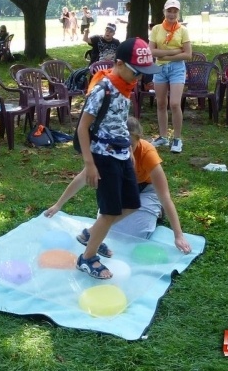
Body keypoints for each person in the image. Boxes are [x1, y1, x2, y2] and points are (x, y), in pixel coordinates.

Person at [72, 37, 159, 279]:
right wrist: (89, 164)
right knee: (110, 210)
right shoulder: (103, 88)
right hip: (103, 158)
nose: (140, 78)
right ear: (119, 63)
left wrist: (128, 153)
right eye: (137, 72)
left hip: (121, 154)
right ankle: (87, 258)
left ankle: (93, 232)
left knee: (132, 204)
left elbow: (120, 123)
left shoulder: (126, 86)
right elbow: (82, 128)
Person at [45, 116, 191, 253]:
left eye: (130, 146)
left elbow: (165, 196)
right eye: (121, 145)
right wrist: (58, 205)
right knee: (109, 226)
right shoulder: (108, 150)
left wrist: (178, 235)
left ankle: (155, 210)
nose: (125, 151)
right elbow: (82, 177)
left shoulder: (147, 153)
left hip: (147, 190)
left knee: (136, 235)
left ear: (138, 140)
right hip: (123, 187)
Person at [149, 0, 192, 154]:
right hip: (159, 69)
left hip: (177, 68)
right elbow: (151, 51)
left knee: (174, 103)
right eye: (169, 11)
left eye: (175, 11)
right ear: (164, 12)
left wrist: (166, 57)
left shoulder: (182, 30)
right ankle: (163, 136)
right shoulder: (156, 29)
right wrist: (174, 52)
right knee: (161, 103)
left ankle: (177, 139)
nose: (172, 14)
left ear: (178, 13)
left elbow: (187, 54)